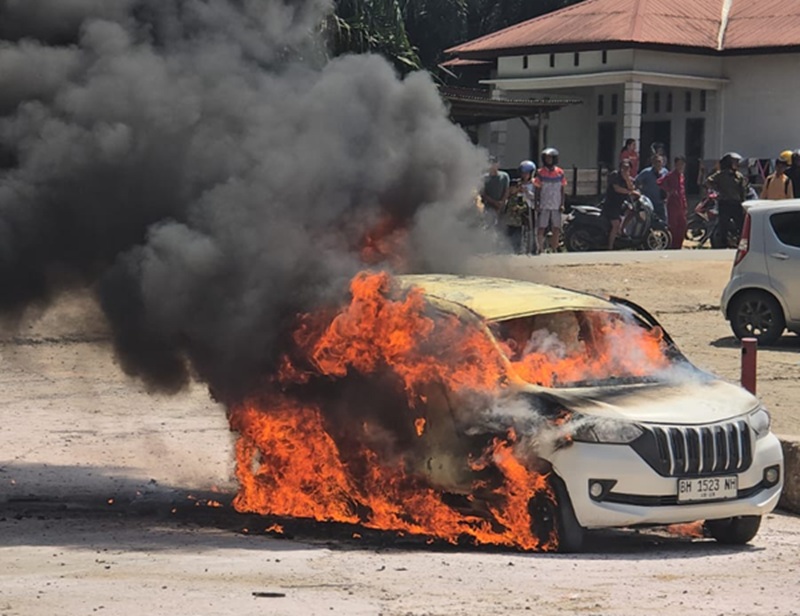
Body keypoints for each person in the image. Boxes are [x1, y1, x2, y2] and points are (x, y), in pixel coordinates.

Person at [705, 152, 749, 248]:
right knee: (723, 225)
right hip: (725, 203)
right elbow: (708, 181)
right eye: (734, 162)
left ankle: (741, 243)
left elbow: (743, 191)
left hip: (736, 204)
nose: (737, 164)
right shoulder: (720, 175)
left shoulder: (739, 176)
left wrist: (743, 204)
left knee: (741, 225)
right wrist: (717, 190)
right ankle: (723, 244)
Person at [534, 147, 567, 253]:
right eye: (547, 158)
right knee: (542, 226)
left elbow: (562, 189)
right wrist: (537, 203)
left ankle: (554, 247)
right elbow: (537, 189)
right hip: (544, 203)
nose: (549, 160)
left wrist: (562, 203)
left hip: (556, 204)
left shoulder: (560, 172)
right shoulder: (540, 172)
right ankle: (540, 247)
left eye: (550, 158)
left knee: (556, 227)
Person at [603, 159, 639, 250]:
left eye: (627, 168)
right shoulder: (615, 175)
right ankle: (610, 247)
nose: (625, 169)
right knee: (615, 224)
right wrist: (629, 192)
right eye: (623, 167)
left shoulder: (629, 179)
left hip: (621, 204)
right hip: (611, 204)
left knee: (633, 211)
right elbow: (617, 188)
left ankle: (622, 230)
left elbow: (632, 188)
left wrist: (627, 179)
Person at [658, 155, 688, 249]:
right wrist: (669, 190)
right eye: (678, 164)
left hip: (681, 204)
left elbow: (682, 191)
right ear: (675, 165)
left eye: (682, 164)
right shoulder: (671, 175)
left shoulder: (682, 176)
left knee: (682, 225)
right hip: (673, 204)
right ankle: (672, 245)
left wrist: (685, 204)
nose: (680, 166)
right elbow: (659, 182)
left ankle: (678, 245)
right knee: (673, 225)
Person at [635, 154, 668, 222]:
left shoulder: (665, 172)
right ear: (653, 162)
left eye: (660, 161)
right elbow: (636, 181)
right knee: (649, 221)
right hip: (649, 202)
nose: (658, 164)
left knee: (663, 221)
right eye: (656, 162)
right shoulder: (646, 172)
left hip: (661, 202)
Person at [480, 155, 510, 227]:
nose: (492, 166)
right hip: (488, 207)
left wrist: (501, 203)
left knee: (501, 226)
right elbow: (483, 193)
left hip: (502, 207)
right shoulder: (484, 178)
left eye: (494, 163)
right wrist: (494, 203)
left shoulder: (504, 176)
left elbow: (506, 190)